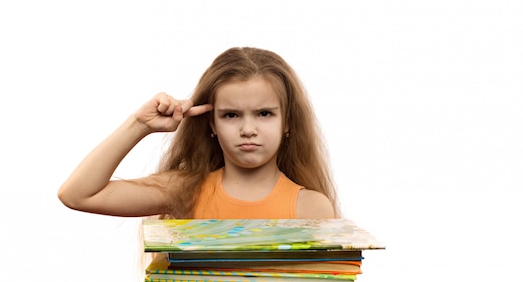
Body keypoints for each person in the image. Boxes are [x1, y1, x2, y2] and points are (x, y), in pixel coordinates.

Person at [58, 47, 339, 219]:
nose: (248, 130)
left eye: (264, 114)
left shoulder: (311, 208)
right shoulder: (185, 190)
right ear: (212, 124)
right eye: (231, 115)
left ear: (287, 121)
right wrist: (139, 125)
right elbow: (78, 195)